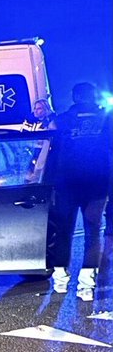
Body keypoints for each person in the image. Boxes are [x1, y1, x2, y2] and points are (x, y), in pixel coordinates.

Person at [46, 82, 112, 302]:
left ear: (74, 97)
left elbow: (50, 151)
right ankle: (86, 284)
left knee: (63, 230)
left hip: (67, 182)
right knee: (92, 232)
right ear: (93, 97)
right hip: (97, 182)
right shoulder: (107, 119)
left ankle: (60, 278)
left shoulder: (62, 120)